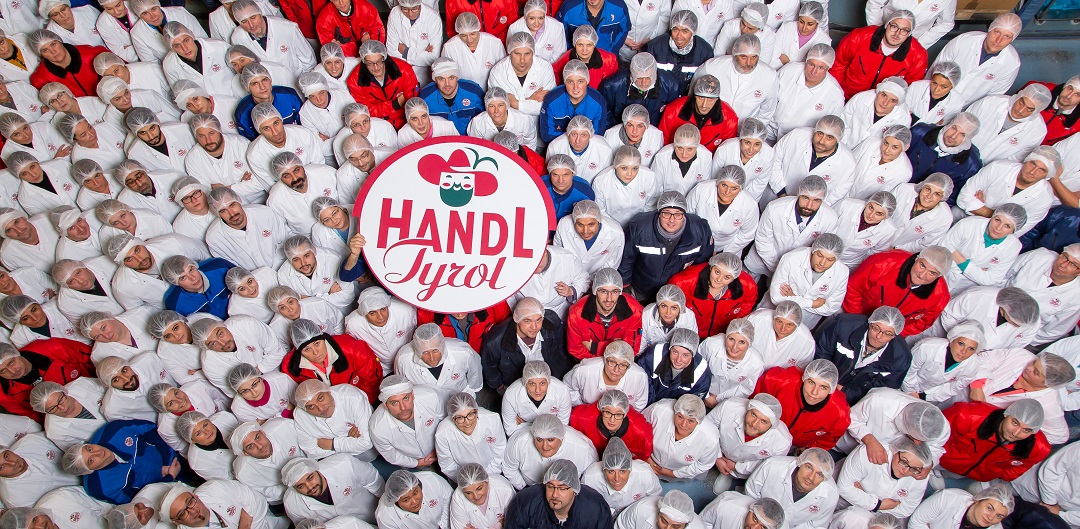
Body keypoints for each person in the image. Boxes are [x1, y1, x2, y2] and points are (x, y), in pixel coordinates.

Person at [619, 191, 713, 300]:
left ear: (684, 215)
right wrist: (625, 285)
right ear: (659, 213)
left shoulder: (700, 230)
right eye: (666, 213)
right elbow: (627, 258)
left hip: (676, 292)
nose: (671, 220)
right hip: (642, 288)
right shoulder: (639, 227)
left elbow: (701, 264)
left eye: (678, 214)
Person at [63, 419, 182, 504]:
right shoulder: (100, 489)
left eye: (89, 449)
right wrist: (168, 478)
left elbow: (150, 429)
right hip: (167, 490)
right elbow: (138, 502)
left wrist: (167, 460)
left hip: (175, 454)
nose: (97, 452)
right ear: (89, 471)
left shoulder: (111, 430)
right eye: (91, 460)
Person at [842, 246, 952, 336]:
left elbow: (921, 323)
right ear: (917, 258)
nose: (922, 275)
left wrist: (890, 334)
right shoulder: (885, 262)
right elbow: (853, 288)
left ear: (939, 276)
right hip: (853, 313)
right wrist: (856, 319)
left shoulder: (940, 296)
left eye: (932, 273)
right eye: (922, 266)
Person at [744, 176, 839, 279]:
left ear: (823, 200)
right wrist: (779, 267)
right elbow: (763, 240)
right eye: (805, 198)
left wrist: (787, 268)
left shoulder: (830, 219)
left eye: (816, 200)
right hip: (761, 259)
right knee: (744, 284)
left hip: (795, 268)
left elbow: (823, 251)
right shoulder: (775, 208)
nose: (809, 205)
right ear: (798, 194)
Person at [813, 306, 911, 404]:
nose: (878, 336)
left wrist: (847, 393)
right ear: (870, 323)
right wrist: (826, 380)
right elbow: (821, 351)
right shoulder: (843, 325)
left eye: (887, 333)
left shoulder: (901, 358)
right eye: (876, 328)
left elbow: (885, 389)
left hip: (853, 400)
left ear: (894, 335)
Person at [939, 399, 1051, 483]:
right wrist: (940, 455)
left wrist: (1000, 474)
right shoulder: (968, 415)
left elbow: (1022, 466)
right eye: (1015, 423)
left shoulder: (1039, 448)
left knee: (953, 476)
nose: (1016, 433)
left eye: (1026, 430)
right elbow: (936, 431)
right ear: (1007, 414)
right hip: (942, 460)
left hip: (976, 475)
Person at [753, 359, 850, 450]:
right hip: (758, 432)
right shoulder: (779, 380)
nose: (814, 392)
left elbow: (828, 440)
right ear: (804, 378)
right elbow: (753, 401)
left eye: (823, 387)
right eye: (811, 382)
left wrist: (808, 450)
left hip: (794, 447)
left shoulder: (839, 413)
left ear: (831, 389)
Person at [957, 148, 1057, 237]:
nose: (1032, 171)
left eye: (1041, 170)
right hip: (963, 216)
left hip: (995, 235)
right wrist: (1005, 222)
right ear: (1026, 161)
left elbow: (1017, 231)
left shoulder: (1045, 198)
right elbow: (964, 197)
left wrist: (982, 210)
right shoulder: (998, 167)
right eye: (1033, 164)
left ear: (1047, 176)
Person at [829, 10, 927, 99]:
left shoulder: (918, 55)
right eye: (894, 26)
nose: (897, 33)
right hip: (846, 95)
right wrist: (836, 92)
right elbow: (838, 65)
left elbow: (911, 88)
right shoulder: (859, 37)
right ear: (886, 25)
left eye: (904, 30)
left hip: (881, 104)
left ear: (909, 33)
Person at [480, 298, 572, 393]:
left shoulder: (552, 322)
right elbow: (489, 367)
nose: (534, 327)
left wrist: (560, 367)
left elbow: (561, 344)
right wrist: (499, 386)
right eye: (528, 321)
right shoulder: (495, 341)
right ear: (517, 319)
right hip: (517, 385)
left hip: (550, 378)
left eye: (538, 320)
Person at [707, 394, 792, 492]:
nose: (754, 424)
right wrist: (717, 456)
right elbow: (708, 428)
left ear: (772, 425)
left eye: (763, 421)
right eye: (753, 415)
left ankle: (728, 474)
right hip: (717, 448)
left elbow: (766, 466)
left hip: (739, 465)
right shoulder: (729, 406)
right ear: (748, 409)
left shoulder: (782, 442)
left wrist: (736, 467)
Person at [280, 319, 381, 402]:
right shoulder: (290, 368)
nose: (315, 352)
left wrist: (366, 402)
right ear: (299, 351)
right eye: (307, 349)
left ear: (323, 338)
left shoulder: (353, 350)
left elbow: (373, 379)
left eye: (317, 344)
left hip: (358, 399)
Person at [931, 13, 1022, 106]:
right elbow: (936, 69)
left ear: (1012, 39)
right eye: (997, 32)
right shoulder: (964, 41)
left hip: (964, 108)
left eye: (1007, 36)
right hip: (932, 97)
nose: (998, 40)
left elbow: (992, 98)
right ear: (990, 29)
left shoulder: (1011, 64)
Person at [835, 437, 931, 519]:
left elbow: (905, 510)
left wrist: (873, 503)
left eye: (914, 469)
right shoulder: (868, 454)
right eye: (904, 462)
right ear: (895, 450)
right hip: (840, 500)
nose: (905, 471)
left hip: (874, 517)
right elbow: (844, 487)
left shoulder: (919, 476)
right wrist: (878, 504)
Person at [769, 115, 855, 205]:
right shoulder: (797, 136)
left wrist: (811, 206)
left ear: (838, 139)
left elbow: (838, 192)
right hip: (774, 193)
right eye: (820, 133)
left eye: (829, 137)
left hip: (808, 209)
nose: (821, 141)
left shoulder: (848, 162)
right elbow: (773, 160)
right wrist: (781, 192)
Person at [1004, 244, 1080, 346]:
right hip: (995, 306)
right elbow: (1003, 274)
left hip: (1021, 332)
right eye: (1065, 257)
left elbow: (1055, 330)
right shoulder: (1039, 256)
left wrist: (1023, 340)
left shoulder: (1076, 296)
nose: (1063, 265)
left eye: (1073, 264)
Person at [503, 459, 613, 529]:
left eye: (562, 488)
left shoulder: (596, 508)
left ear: (575, 491)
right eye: (550, 487)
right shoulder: (525, 502)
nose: (555, 494)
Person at [695, 34, 778, 126]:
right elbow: (693, 96)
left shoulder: (769, 76)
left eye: (753, 57)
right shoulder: (712, 67)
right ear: (734, 53)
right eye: (744, 57)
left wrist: (751, 132)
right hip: (711, 126)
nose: (748, 63)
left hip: (743, 131)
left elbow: (767, 112)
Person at [669, 252, 756, 338]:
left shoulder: (747, 286)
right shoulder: (685, 281)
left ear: (734, 278)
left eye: (726, 277)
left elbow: (746, 306)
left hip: (721, 336)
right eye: (717, 272)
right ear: (711, 267)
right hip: (688, 333)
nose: (719, 279)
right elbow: (668, 303)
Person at [746, 448, 838, 529]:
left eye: (819, 474)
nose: (811, 477)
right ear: (800, 462)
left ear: (825, 478)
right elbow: (750, 494)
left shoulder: (831, 495)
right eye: (808, 467)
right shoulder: (773, 466)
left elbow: (816, 526)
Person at [941, 205, 1026, 292]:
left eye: (1007, 226)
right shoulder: (968, 224)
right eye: (997, 220)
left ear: (1013, 231)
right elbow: (942, 249)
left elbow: (990, 279)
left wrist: (959, 259)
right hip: (943, 272)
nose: (998, 228)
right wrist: (977, 270)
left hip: (966, 287)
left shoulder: (1013, 247)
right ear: (992, 217)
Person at [768, 234, 847, 328]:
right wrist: (813, 303)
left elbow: (831, 308)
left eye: (830, 259)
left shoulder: (842, 272)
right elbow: (776, 297)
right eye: (819, 255)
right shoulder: (792, 258)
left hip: (806, 321)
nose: (822, 263)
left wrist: (794, 297)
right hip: (776, 313)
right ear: (813, 249)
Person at [502, 414, 598, 490]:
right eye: (539, 439)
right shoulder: (519, 442)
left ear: (561, 437)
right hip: (531, 487)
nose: (545, 446)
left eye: (551, 440)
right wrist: (523, 487)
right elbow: (509, 467)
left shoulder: (583, 449)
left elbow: (590, 477)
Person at [280, 454, 384, 524]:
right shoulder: (292, 503)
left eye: (310, 478)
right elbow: (305, 525)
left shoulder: (344, 464)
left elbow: (373, 480)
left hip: (373, 509)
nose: (310, 487)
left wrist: (384, 503)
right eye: (301, 486)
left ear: (316, 470)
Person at [368, 375, 445, 468]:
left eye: (405, 398)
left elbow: (446, 422)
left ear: (412, 395)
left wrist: (440, 447)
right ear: (385, 404)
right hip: (413, 460)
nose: (403, 408)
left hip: (442, 447)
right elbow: (392, 456)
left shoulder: (431, 397)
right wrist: (416, 463)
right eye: (394, 403)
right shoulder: (377, 428)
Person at [771, 43, 845, 141]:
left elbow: (831, 128)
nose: (813, 71)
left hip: (798, 141)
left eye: (820, 68)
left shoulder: (835, 95)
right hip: (769, 130)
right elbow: (768, 96)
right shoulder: (789, 70)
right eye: (811, 64)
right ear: (806, 60)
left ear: (828, 68)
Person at [902, 321, 987, 405]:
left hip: (928, 396)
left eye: (971, 348)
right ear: (952, 340)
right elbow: (908, 370)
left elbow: (953, 388)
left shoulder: (973, 365)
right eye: (961, 344)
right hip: (904, 384)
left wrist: (924, 396)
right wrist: (911, 392)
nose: (964, 351)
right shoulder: (927, 347)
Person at [567, 268, 643, 359]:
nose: (609, 298)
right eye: (604, 291)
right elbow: (575, 349)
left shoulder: (634, 311)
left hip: (619, 363)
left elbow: (630, 350)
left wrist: (595, 347)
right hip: (588, 360)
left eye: (614, 291)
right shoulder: (577, 314)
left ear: (620, 292)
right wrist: (604, 357)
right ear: (595, 291)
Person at [967, 84, 1052, 164]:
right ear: (1018, 96)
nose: (1020, 110)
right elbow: (962, 125)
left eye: (1029, 109)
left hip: (987, 169)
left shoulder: (1038, 132)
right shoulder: (990, 102)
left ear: (1037, 111)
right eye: (1021, 102)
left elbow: (1014, 161)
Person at [907, 113, 983, 202]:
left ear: (968, 139)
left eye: (962, 134)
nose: (953, 136)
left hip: (928, 203)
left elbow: (953, 197)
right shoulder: (920, 133)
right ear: (949, 124)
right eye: (954, 128)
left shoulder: (970, 164)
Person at [685, 165, 759, 254]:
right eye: (724, 185)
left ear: (741, 189)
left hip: (727, 248)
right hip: (695, 242)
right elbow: (686, 216)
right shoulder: (701, 190)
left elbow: (746, 235)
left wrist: (724, 253)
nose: (727, 192)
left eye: (734, 188)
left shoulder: (750, 205)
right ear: (718, 183)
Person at [291, 379, 374, 460]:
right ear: (305, 409)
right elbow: (312, 453)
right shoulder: (300, 416)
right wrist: (348, 440)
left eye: (320, 398)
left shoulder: (352, 397)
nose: (321, 408)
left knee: (370, 455)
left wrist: (332, 444)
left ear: (328, 391)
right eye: (311, 406)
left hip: (368, 451)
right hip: (335, 458)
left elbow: (367, 442)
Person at [230, 418, 304, 506]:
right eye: (250, 446)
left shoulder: (284, 427)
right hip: (289, 497)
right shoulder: (244, 472)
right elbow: (267, 493)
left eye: (258, 438)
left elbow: (309, 446)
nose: (260, 446)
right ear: (245, 453)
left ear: (263, 432)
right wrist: (295, 488)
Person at [643, 394, 719, 480]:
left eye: (690, 421)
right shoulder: (659, 411)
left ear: (699, 421)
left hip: (678, 471)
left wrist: (673, 473)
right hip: (648, 459)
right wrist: (647, 458)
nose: (683, 424)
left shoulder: (710, 438)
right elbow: (639, 431)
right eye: (680, 417)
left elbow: (703, 465)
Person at [346, 40, 420, 128]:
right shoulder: (354, 81)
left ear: (384, 57)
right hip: (378, 124)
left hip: (406, 121)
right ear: (363, 61)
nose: (376, 67)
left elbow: (413, 104)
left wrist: (381, 110)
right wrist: (394, 104)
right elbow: (365, 111)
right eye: (370, 63)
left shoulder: (404, 70)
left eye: (379, 61)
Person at [434, 392, 506, 482]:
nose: (467, 422)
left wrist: (490, 474)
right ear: (453, 419)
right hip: (464, 480)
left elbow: (500, 447)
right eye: (460, 417)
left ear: (477, 411)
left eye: (470, 414)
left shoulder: (492, 419)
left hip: (495, 471)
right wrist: (469, 481)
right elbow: (448, 465)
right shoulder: (442, 434)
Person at [344, 287, 417, 374]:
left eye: (383, 309)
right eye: (372, 313)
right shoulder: (353, 324)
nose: (380, 317)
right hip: (380, 368)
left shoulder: (405, 310)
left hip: (409, 361)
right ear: (364, 313)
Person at [598, 54, 681, 129]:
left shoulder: (671, 85)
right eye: (639, 78)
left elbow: (671, 115)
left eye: (648, 78)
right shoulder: (612, 86)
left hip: (654, 130)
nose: (644, 83)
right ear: (632, 74)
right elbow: (605, 113)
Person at [1010, 438, 1080, 526]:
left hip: (1052, 516)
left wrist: (1060, 515)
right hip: (1026, 485)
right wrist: (1049, 502)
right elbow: (1052, 468)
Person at [658, 74, 738, 150]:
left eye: (710, 99)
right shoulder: (674, 110)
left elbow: (726, 150)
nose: (704, 105)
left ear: (717, 99)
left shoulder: (730, 118)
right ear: (695, 96)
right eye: (701, 98)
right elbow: (662, 140)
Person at [0, 433, 81, 508]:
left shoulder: (31, 441)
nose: (12, 463)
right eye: (2, 467)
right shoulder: (15, 500)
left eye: (7, 456)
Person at [570, 389, 653, 461]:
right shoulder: (583, 418)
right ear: (601, 409)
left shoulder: (640, 431)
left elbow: (644, 454)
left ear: (625, 414)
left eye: (618, 414)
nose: (612, 420)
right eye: (608, 412)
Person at [644, 11, 714, 95]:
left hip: (687, 98)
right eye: (675, 30)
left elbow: (705, 84)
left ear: (693, 31)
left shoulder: (704, 52)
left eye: (684, 31)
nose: (679, 36)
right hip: (659, 95)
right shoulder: (655, 47)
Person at [28, 378, 107, 451]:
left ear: (64, 391)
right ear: (45, 412)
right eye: (53, 408)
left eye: (60, 400)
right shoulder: (56, 433)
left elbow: (111, 390)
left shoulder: (82, 384)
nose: (62, 408)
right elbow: (81, 452)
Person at [160, 480, 276, 529]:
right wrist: (246, 514)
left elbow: (255, 497)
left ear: (195, 496)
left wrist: (245, 525)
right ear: (176, 522)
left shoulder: (214, 488)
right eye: (182, 513)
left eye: (190, 502)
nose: (192, 511)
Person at [540, 60, 607, 144]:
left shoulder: (598, 103)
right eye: (570, 82)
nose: (575, 87)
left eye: (580, 81)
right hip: (559, 146)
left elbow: (597, 136)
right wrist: (575, 138)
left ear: (587, 81)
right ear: (565, 82)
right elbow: (547, 135)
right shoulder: (551, 100)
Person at [501, 361, 574, 436]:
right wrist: (548, 426)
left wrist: (526, 425)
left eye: (542, 383)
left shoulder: (562, 391)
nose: (538, 390)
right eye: (532, 384)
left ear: (548, 382)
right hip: (524, 436)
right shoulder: (511, 395)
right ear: (525, 383)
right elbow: (511, 431)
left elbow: (562, 427)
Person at [553, 200, 625, 275]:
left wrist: (594, 280)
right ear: (574, 221)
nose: (585, 231)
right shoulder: (564, 224)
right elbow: (558, 254)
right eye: (580, 225)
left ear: (599, 220)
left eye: (591, 225)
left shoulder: (616, 233)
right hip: (567, 273)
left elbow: (611, 264)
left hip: (596, 278)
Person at [710, 118, 774, 202]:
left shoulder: (768, 154)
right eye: (747, 143)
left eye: (757, 144)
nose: (751, 149)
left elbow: (760, 183)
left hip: (746, 196)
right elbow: (714, 177)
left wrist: (747, 203)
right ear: (741, 139)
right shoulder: (725, 149)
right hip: (721, 194)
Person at [28, 30, 108, 96]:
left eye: (53, 44)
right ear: (41, 55)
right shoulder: (40, 79)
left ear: (60, 41)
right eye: (45, 50)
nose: (53, 51)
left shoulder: (92, 53)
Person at [832, 191, 899, 269]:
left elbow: (874, 254)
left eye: (879, 213)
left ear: (887, 216)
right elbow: (827, 222)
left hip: (849, 263)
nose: (871, 215)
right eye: (871, 207)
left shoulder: (888, 230)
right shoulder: (847, 205)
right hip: (825, 251)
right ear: (867, 203)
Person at [889, 175, 955, 252]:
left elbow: (922, 245)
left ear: (943, 197)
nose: (929, 196)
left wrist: (895, 248)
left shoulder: (944, 218)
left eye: (937, 194)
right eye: (928, 189)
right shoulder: (904, 190)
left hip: (896, 251)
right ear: (922, 186)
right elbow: (881, 208)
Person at [840, 79, 911, 150]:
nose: (885, 103)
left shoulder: (903, 118)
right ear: (878, 92)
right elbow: (843, 121)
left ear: (898, 103)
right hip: (844, 146)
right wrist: (842, 147)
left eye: (892, 100)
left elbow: (896, 146)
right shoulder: (861, 98)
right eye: (884, 95)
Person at [385, 0, 443, 85]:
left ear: (420, 5)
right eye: (405, 9)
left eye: (414, 9)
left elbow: (433, 58)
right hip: (401, 72)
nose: (410, 13)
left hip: (424, 75)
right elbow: (391, 52)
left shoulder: (433, 18)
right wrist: (422, 53)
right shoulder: (394, 13)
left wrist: (406, 52)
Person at [745, 302, 815, 370]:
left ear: (797, 324)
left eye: (789, 325)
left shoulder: (807, 343)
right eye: (779, 322)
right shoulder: (758, 319)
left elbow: (799, 370)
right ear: (774, 318)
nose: (782, 329)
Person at [910, 485, 1015, 529]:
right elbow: (916, 522)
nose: (991, 517)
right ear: (978, 499)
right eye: (989, 508)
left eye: (999, 516)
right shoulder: (949, 498)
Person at [173, 409, 238, 481]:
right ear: (191, 440)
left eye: (205, 425)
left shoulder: (224, 417)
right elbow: (229, 480)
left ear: (209, 420)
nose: (206, 432)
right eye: (198, 433)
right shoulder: (199, 463)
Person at [449, 463, 517, 529]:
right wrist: (500, 523)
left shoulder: (505, 490)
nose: (476, 496)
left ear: (487, 482)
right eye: (468, 493)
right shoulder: (458, 498)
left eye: (479, 488)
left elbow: (514, 522)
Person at [546, 116, 613, 183]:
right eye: (574, 134)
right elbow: (550, 174)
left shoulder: (604, 149)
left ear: (590, 135)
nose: (578, 140)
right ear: (568, 133)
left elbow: (606, 179)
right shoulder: (555, 146)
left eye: (583, 135)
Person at [651, 125, 713, 196]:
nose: (684, 154)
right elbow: (656, 189)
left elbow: (704, 188)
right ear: (674, 144)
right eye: (680, 148)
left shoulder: (706, 156)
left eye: (689, 149)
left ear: (697, 146)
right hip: (667, 201)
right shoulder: (662, 157)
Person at [553, 26, 619, 91]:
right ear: (574, 44)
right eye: (580, 45)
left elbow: (613, 86)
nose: (584, 50)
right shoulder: (564, 60)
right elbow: (555, 78)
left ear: (594, 44)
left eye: (589, 45)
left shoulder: (610, 61)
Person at [638, 284, 699, 354]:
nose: (668, 312)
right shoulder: (646, 315)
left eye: (674, 308)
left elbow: (690, 346)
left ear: (680, 308)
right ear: (658, 304)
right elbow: (640, 348)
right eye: (664, 306)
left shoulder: (688, 317)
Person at [770, 1, 831, 69]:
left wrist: (786, 62)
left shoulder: (824, 40)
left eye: (810, 24)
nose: (804, 28)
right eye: (801, 22)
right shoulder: (786, 28)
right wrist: (800, 65)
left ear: (817, 23)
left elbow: (812, 70)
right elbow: (772, 58)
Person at [907, 62, 964, 127]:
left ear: (952, 86)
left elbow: (943, 125)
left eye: (943, 87)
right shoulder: (916, 87)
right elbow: (903, 111)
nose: (936, 90)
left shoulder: (957, 103)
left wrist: (913, 116)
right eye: (934, 83)